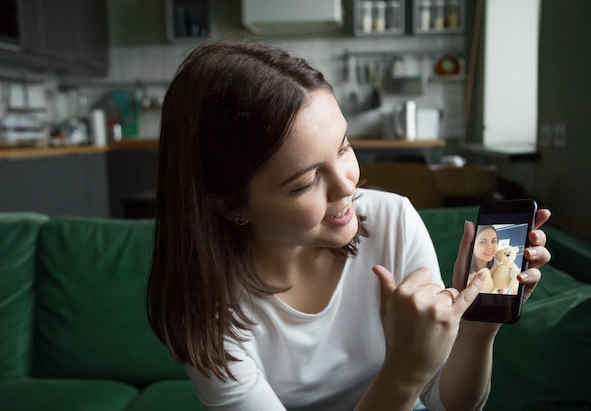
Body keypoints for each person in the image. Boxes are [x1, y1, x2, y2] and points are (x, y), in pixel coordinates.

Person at [147, 40, 552, 411]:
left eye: (343, 147)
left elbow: (450, 404)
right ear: (230, 204)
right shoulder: (208, 307)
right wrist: (403, 372)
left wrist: (477, 329)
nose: (347, 186)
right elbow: (413, 384)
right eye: (305, 182)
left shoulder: (393, 220)